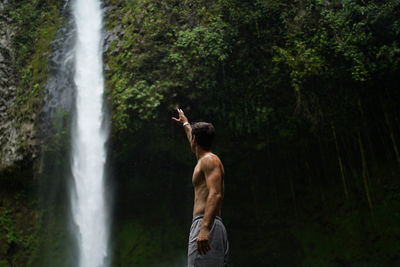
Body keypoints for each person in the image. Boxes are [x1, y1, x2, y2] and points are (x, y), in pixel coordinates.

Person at [172, 108, 229, 267]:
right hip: (207, 222)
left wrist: (204, 228)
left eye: (192, 137)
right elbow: (192, 136)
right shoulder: (206, 159)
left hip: (206, 222)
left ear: (195, 140)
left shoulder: (209, 160)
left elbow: (215, 194)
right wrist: (185, 123)